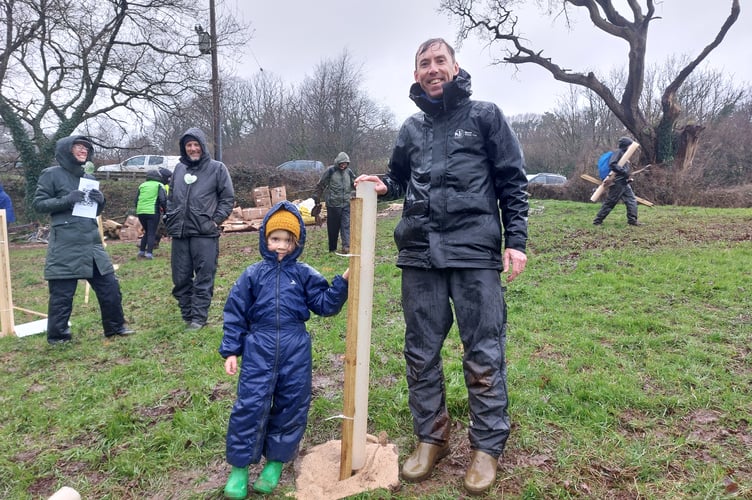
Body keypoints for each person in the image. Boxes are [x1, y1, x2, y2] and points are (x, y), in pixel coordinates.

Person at [354, 38, 528, 495]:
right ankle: (432, 439)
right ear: (416, 74)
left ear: (455, 67)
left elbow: (512, 181)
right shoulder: (410, 128)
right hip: (419, 256)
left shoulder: (485, 116)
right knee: (420, 353)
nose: (432, 69)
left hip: (475, 254)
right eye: (424, 64)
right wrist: (383, 184)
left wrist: (517, 243)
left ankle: (487, 447)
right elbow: (398, 177)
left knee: (483, 351)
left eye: (439, 61)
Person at [219, 201, 350, 497]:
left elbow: (325, 305)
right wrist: (231, 351)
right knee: (250, 405)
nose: (280, 245)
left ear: (296, 242)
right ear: (265, 238)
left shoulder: (304, 274)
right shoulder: (251, 275)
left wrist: (342, 282)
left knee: (291, 404)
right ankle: (239, 468)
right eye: (275, 238)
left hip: (295, 348)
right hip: (258, 347)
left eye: (286, 240)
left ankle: (275, 462)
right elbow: (235, 313)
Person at [32, 135, 135, 345]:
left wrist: (101, 202)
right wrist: (65, 200)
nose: (83, 150)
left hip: (91, 242)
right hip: (65, 243)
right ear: (66, 150)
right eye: (78, 147)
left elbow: (90, 209)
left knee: (110, 286)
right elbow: (39, 204)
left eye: (86, 148)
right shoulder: (51, 175)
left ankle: (115, 327)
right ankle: (58, 337)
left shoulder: (87, 177)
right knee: (62, 294)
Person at [164, 127, 235, 330]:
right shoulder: (179, 169)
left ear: (202, 147)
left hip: (205, 233)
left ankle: (198, 318)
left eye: (196, 145)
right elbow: (171, 197)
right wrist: (170, 217)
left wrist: (215, 221)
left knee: (204, 278)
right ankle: (187, 314)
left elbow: (227, 198)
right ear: (183, 148)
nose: (193, 149)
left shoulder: (217, 168)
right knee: (180, 278)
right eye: (189, 145)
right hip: (180, 233)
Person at [593, 136, 641, 226]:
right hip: (617, 182)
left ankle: (632, 220)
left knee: (631, 200)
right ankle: (597, 221)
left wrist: (627, 175)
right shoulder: (618, 152)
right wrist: (624, 172)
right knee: (611, 201)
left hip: (623, 181)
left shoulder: (625, 154)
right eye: (630, 145)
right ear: (626, 145)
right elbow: (612, 164)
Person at [313, 152, 355, 253]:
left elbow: (355, 183)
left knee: (346, 225)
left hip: (346, 204)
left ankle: (346, 246)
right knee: (333, 228)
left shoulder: (349, 172)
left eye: (345, 164)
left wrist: (363, 187)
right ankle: (332, 248)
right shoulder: (330, 171)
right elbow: (321, 184)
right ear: (338, 162)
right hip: (333, 205)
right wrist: (316, 197)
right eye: (341, 163)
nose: (343, 165)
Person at [135, 169, 167, 259]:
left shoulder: (142, 185)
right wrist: (165, 211)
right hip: (152, 211)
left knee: (147, 231)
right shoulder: (159, 185)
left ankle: (141, 252)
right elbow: (163, 199)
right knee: (152, 233)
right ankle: (149, 253)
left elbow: (136, 200)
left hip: (141, 212)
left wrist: (139, 209)